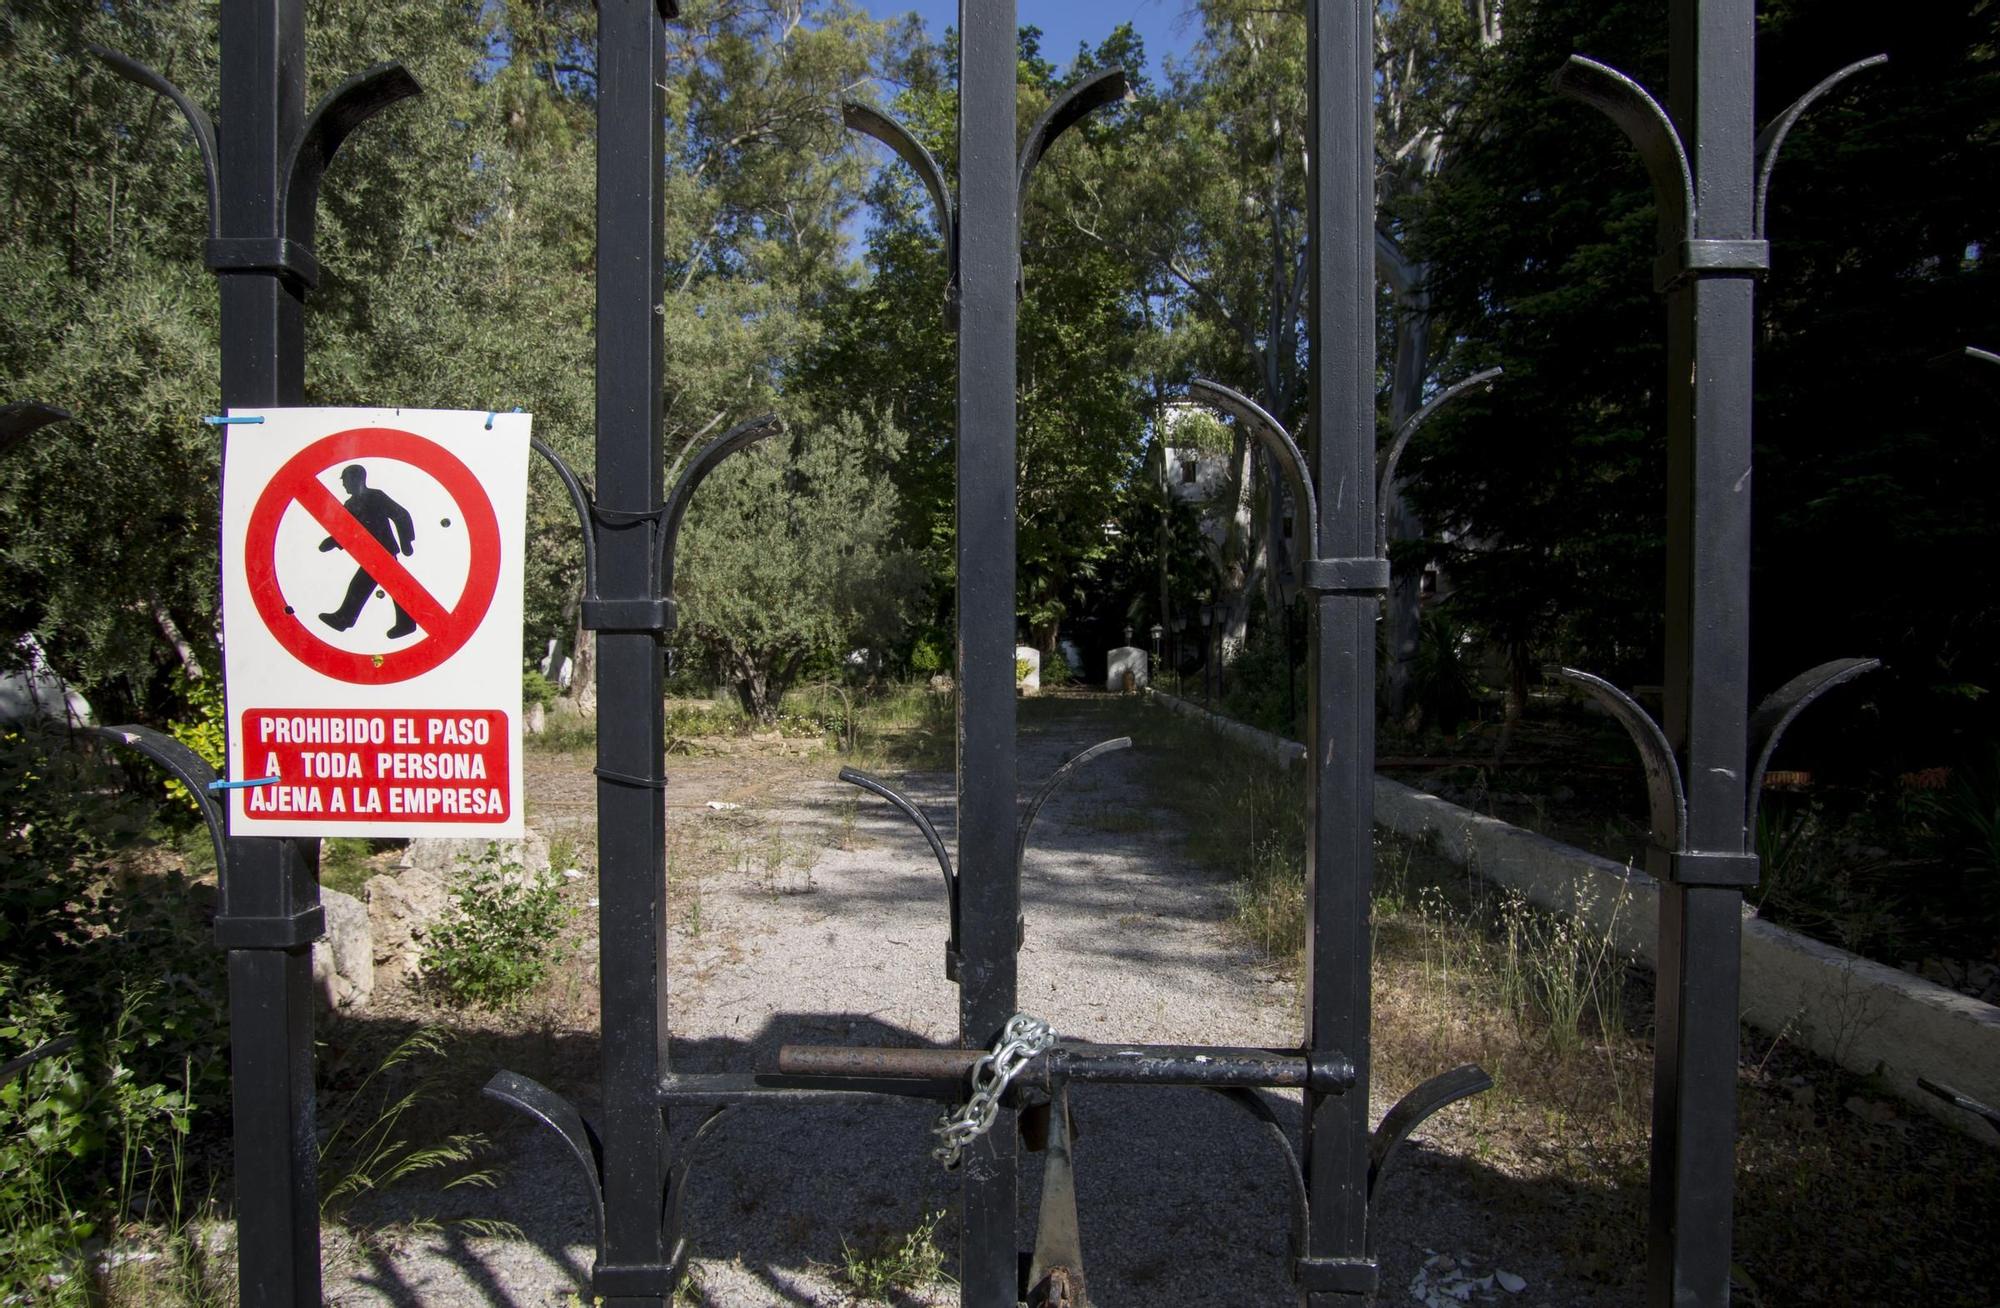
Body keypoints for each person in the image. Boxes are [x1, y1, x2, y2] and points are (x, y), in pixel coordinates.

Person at [317, 464, 418, 638]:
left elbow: (400, 514)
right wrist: (332, 542)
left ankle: (345, 618)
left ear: (357, 479)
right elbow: (345, 530)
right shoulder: (350, 504)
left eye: (345, 480)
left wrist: (406, 541)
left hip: (384, 550)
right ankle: (405, 622)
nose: (343, 485)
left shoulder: (375, 496)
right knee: (392, 586)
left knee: (367, 586)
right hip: (369, 554)